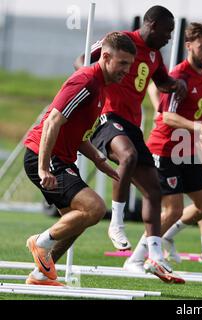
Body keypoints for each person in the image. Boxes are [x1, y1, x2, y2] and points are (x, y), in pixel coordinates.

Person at [73, 6, 187, 284]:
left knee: (153, 190)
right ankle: (116, 223)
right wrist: (96, 80)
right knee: (129, 156)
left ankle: (155, 255)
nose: (169, 38)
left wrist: (176, 85)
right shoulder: (121, 40)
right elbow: (81, 60)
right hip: (106, 115)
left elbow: (162, 81)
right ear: (151, 24)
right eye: (167, 31)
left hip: (132, 123)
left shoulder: (155, 56)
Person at [23, 32, 136, 286]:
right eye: (122, 63)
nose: (127, 71)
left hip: (61, 158)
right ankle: (39, 243)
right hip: (45, 155)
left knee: (76, 221)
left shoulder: (102, 89)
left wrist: (99, 160)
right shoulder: (86, 81)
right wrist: (43, 169)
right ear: (105, 57)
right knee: (94, 208)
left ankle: (41, 275)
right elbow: (53, 120)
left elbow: (78, 134)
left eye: (129, 65)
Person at [123, 22, 202, 271]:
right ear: (189, 46)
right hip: (165, 150)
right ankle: (135, 259)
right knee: (173, 210)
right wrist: (201, 129)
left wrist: (200, 139)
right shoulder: (180, 76)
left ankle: (166, 236)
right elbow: (166, 117)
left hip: (186, 150)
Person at [147, 42, 202, 265]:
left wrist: (201, 141)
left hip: (190, 144)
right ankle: (147, 253)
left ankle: (179, 241)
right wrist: (160, 111)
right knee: (176, 207)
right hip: (169, 145)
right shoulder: (187, 76)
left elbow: (199, 118)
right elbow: (154, 86)